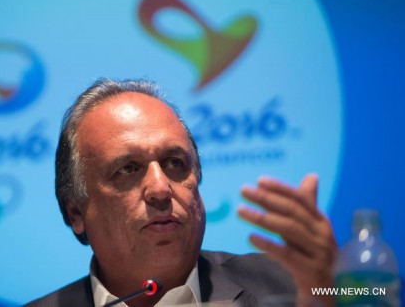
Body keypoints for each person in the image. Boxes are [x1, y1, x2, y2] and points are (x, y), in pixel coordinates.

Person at [25, 78, 336, 307]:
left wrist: (332, 288)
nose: (161, 188)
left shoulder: (295, 284)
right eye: (128, 169)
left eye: (175, 163)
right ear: (76, 212)